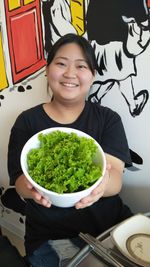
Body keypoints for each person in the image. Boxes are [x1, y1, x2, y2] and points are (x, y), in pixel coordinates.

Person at [8, 33, 133, 267]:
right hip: (50, 235)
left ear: (93, 75)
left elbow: (115, 177)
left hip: (108, 226)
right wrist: (33, 188)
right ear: (47, 70)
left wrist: (101, 185)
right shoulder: (27, 122)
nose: (70, 74)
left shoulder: (108, 119)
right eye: (61, 63)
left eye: (81, 66)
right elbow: (20, 183)